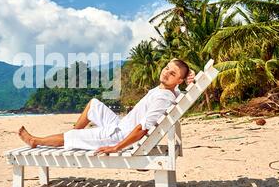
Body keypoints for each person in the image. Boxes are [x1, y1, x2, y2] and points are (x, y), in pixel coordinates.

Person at [18, 59, 195, 155]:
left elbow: (143, 128)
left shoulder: (163, 98)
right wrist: (188, 79)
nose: (166, 73)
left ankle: (37, 141)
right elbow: (179, 90)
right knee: (94, 105)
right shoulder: (169, 90)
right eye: (166, 68)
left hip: (119, 135)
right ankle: (75, 136)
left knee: (72, 135)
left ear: (178, 80)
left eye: (173, 73)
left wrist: (116, 147)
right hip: (120, 124)